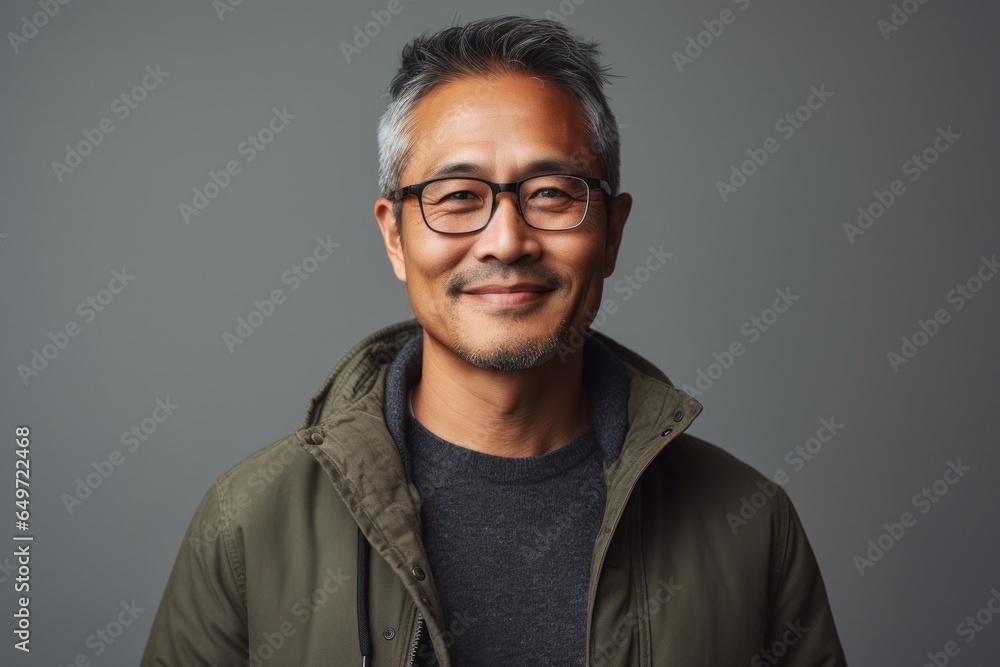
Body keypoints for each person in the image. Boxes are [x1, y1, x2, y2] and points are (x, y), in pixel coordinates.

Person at [141, 15, 847, 667]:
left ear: (613, 231)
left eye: (551, 193)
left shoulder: (749, 524)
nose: (506, 241)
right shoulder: (248, 522)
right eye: (457, 198)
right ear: (394, 234)